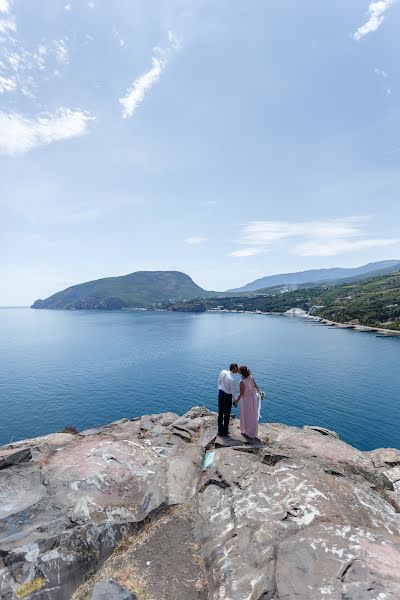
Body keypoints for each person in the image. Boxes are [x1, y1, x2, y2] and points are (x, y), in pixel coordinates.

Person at [234, 365, 260, 439]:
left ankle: (246, 431)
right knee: (252, 415)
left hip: (246, 400)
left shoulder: (242, 382)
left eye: (239, 370)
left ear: (241, 373)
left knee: (246, 415)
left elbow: (241, 393)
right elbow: (255, 385)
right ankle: (252, 431)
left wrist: (236, 401)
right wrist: (259, 392)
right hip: (253, 398)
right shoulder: (251, 377)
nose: (238, 371)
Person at [217, 363, 238, 437]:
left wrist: (220, 389)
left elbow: (219, 381)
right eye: (236, 368)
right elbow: (233, 391)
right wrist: (235, 400)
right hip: (227, 396)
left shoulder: (223, 371)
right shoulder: (232, 379)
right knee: (227, 414)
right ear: (233, 369)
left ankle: (220, 429)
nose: (237, 370)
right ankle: (225, 431)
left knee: (220, 411)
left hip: (220, 393)